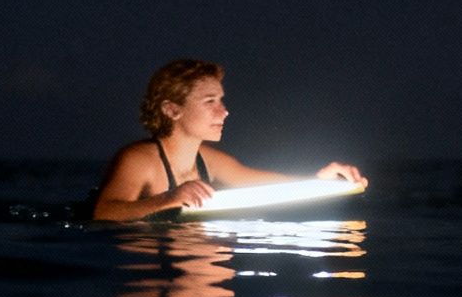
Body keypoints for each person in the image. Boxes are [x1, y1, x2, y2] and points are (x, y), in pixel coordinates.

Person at [92, 59, 367, 222]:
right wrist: (169, 198)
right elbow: (103, 213)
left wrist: (319, 179)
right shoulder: (139, 160)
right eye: (209, 101)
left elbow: (262, 183)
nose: (223, 111)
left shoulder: (210, 161)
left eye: (221, 100)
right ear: (172, 110)